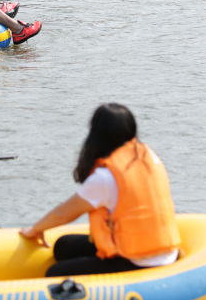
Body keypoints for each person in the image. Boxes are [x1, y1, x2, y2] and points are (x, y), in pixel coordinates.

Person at [20, 103, 182, 277]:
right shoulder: (148, 155)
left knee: (54, 273)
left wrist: (35, 229)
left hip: (138, 260)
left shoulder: (106, 177)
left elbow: (65, 213)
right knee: (63, 246)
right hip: (165, 251)